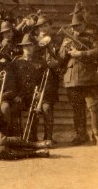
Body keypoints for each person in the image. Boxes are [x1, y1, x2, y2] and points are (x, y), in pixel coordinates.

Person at [59, 13, 98, 146]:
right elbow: (61, 59)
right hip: (72, 77)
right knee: (77, 108)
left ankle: (97, 135)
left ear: (83, 24)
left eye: (78, 25)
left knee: (93, 107)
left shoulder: (91, 36)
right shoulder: (67, 37)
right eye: (73, 26)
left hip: (88, 76)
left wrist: (81, 53)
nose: (75, 28)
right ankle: (80, 135)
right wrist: (65, 47)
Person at [34, 14, 63, 143]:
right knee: (36, 105)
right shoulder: (35, 40)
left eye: (45, 25)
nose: (43, 29)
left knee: (47, 106)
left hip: (52, 76)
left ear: (50, 25)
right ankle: (33, 137)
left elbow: (62, 57)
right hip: (38, 75)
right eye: (41, 27)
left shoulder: (57, 39)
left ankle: (48, 137)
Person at [11, 33, 45, 139]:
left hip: (34, 95)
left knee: (35, 110)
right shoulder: (16, 62)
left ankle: (32, 136)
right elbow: (11, 81)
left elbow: (46, 80)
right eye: (25, 46)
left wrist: (41, 93)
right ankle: (17, 136)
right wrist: (15, 95)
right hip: (20, 95)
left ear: (34, 47)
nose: (28, 48)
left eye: (30, 45)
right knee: (14, 109)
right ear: (22, 48)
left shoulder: (41, 61)